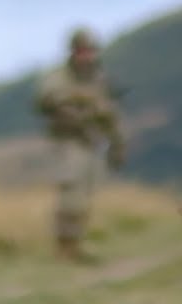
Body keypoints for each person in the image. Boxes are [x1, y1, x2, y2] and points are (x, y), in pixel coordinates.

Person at [34, 26, 126, 263]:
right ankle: (64, 248)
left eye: (90, 51)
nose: (87, 56)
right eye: (82, 51)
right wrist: (74, 110)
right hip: (69, 142)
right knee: (70, 194)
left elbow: (109, 114)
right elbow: (48, 102)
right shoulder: (59, 78)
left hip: (92, 142)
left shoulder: (98, 78)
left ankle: (76, 246)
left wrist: (117, 143)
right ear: (74, 52)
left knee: (85, 196)